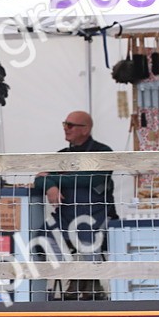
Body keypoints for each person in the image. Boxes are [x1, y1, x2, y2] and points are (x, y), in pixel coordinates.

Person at [33, 110, 116, 300]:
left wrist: (53, 179)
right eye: (65, 124)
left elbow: (90, 178)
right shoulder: (61, 155)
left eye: (70, 125)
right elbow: (38, 179)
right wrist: (49, 186)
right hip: (65, 217)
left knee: (87, 237)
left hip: (97, 216)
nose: (66, 128)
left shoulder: (103, 152)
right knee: (42, 239)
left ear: (85, 129)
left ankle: (92, 280)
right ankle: (74, 276)